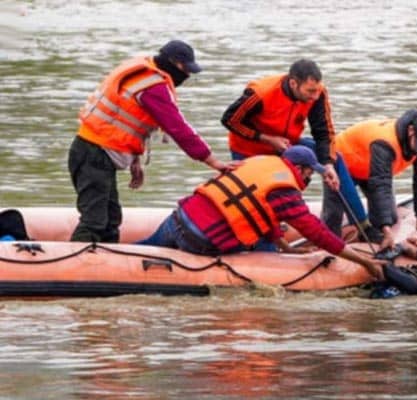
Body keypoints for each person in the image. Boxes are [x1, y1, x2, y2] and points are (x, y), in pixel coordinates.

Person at [68, 39, 235, 243]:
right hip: (93, 154)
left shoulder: (145, 69)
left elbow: (126, 119)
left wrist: (134, 159)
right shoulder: (153, 87)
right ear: (172, 63)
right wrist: (213, 162)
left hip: (97, 151)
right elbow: (178, 128)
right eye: (185, 69)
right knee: (94, 222)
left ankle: (104, 266)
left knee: (111, 221)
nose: (188, 75)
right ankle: (70, 268)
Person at [137, 145, 384, 279]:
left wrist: (287, 248)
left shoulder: (257, 163)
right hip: (201, 240)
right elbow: (316, 232)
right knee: (264, 250)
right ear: (300, 169)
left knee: (140, 248)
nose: (308, 179)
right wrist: (364, 262)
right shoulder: (285, 190)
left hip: (178, 218)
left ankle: (99, 254)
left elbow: (262, 213)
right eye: (309, 174)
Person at [220, 59, 369, 228]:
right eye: (310, 91)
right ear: (293, 83)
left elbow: (323, 131)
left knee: (336, 159)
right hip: (249, 148)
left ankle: (362, 225)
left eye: (317, 90)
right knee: (258, 197)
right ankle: (267, 224)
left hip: (286, 145)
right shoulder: (261, 93)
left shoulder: (318, 94)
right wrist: (266, 139)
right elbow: (230, 120)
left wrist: (327, 164)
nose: (314, 96)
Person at [322, 109, 417, 250]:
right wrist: (386, 231)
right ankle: (328, 248)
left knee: (390, 217)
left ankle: (365, 235)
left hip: (370, 168)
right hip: (341, 163)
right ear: (411, 131)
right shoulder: (385, 142)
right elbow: (381, 185)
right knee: (333, 216)